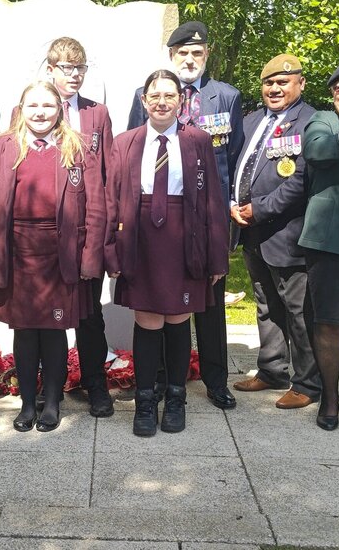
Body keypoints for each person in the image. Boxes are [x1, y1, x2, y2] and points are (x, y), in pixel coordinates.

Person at [0, 81, 105, 433]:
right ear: (22, 109)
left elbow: (95, 207)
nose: (40, 112)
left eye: (47, 105)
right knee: (25, 332)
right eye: (33, 106)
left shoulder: (78, 148)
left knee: (55, 331)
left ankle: (53, 402)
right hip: (18, 257)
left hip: (60, 257)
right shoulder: (3, 147)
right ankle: (28, 403)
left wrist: (91, 257)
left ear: (59, 108)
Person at [105, 69, 228, 436]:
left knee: (177, 320)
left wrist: (217, 256)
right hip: (140, 240)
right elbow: (111, 199)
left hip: (183, 239)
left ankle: (175, 399)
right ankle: (145, 402)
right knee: (147, 320)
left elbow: (212, 203)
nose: (161, 102)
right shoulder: (125, 142)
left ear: (181, 100)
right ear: (144, 101)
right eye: (154, 95)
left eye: (169, 96)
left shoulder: (198, 141)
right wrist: (110, 250)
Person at [127, 21, 243, 411]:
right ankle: (158, 381)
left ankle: (215, 379)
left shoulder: (225, 96)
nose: (189, 58)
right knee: (159, 307)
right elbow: (132, 154)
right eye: (182, 53)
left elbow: (236, 155)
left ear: (206, 54)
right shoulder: (146, 97)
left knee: (207, 306)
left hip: (207, 214)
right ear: (172, 56)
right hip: (154, 216)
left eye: (197, 52)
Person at [231, 54, 321, 408]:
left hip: (286, 232)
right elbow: (237, 166)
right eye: (269, 82)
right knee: (266, 305)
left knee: (298, 309)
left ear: (300, 83)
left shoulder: (311, 122)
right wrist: (232, 204)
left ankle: (308, 383)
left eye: (283, 82)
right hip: (251, 231)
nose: (275, 88)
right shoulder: (252, 120)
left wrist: (260, 209)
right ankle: (271, 370)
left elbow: (300, 180)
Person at [45, 37, 114, 417]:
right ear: (51, 69)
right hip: (46, 232)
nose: (74, 75)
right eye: (66, 68)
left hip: (88, 230)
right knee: (49, 313)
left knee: (90, 315)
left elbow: (107, 172)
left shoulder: (97, 113)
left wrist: (108, 230)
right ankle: (50, 389)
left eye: (80, 68)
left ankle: (96, 385)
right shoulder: (31, 108)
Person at [299, 59, 339, 430]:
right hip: (333, 242)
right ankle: (331, 400)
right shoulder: (322, 121)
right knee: (330, 324)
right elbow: (318, 152)